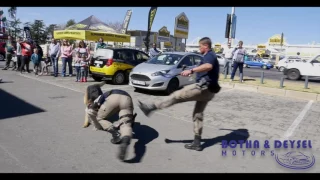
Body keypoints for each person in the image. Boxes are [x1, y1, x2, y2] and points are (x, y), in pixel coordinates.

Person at [138, 37, 220, 151]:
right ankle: (197, 142)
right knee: (198, 114)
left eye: (200, 46)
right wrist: (192, 71)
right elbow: (207, 69)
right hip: (209, 91)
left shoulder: (209, 55)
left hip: (203, 88)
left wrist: (191, 71)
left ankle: (152, 107)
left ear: (205, 46)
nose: (199, 48)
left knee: (177, 95)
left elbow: (208, 66)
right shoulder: (210, 55)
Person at [83, 83, 137, 161]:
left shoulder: (100, 97)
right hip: (127, 98)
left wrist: (93, 109)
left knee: (99, 118)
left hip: (112, 98)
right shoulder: (104, 93)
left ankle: (115, 134)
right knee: (125, 124)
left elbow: (95, 108)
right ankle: (125, 139)